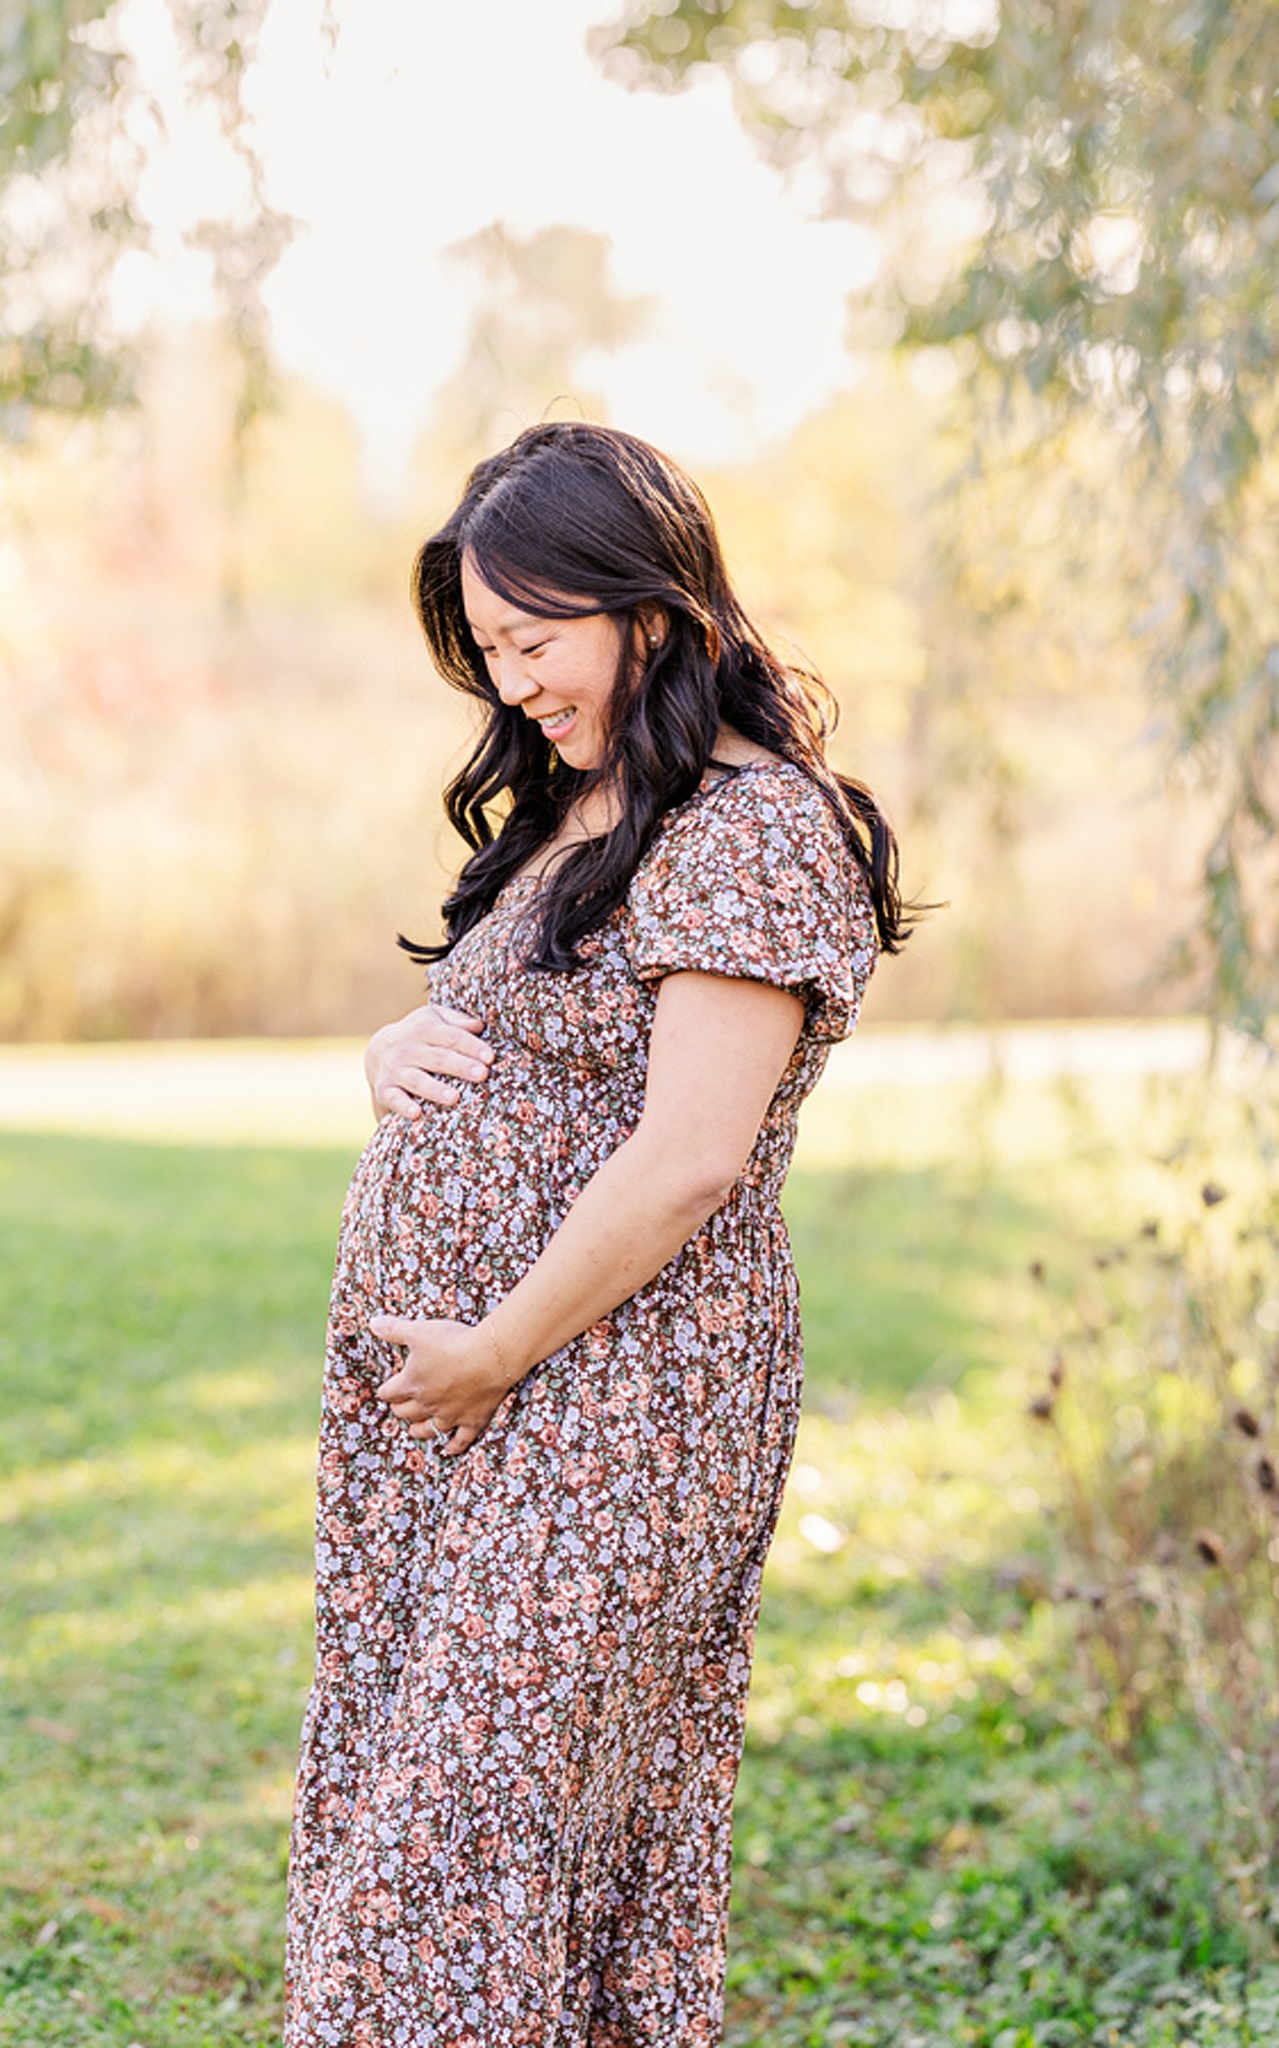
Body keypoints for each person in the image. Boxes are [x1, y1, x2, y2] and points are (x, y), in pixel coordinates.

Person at [283, 420, 918, 2048]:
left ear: (655, 607)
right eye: (486, 652)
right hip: (477, 1418)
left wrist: (493, 1346)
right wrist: (389, 1056)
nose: (512, 687)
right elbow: (510, 1038)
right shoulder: (586, 807)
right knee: (442, 1828)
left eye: (534, 638)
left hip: (613, 1403)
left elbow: (695, 1153)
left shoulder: (754, 824)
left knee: (464, 1839)